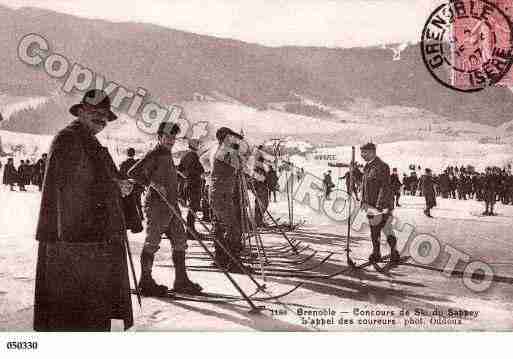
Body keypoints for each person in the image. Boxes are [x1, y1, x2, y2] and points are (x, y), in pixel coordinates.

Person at [33, 89, 133, 331]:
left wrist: (120, 183)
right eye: (95, 113)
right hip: (73, 241)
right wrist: (115, 186)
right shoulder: (69, 139)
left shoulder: (86, 139)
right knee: (74, 315)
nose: (101, 119)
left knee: (87, 311)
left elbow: (98, 176)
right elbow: (73, 188)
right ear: (81, 112)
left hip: (87, 239)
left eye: (104, 116)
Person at [128, 121, 203, 296]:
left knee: (180, 240)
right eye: (167, 137)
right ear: (159, 137)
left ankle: (181, 280)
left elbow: (165, 173)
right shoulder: (154, 153)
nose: (170, 141)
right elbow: (133, 172)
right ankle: (145, 281)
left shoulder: (167, 154)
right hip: (156, 205)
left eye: (173, 138)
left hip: (172, 204)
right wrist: (152, 184)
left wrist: (176, 179)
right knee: (152, 241)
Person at [209, 127, 244, 271]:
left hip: (218, 193)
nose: (233, 140)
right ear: (225, 139)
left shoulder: (219, 149)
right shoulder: (223, 151)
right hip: (222, 194)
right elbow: (239, 165)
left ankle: (221, 258)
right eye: (231, 138)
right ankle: (233, 263)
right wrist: (237, 149)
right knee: (233, 228)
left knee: (220, 226)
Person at [360, 142, 400, 264]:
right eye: (361, 152)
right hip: (371, 205)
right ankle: (376, 252)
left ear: (372, 152)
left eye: (364, 152)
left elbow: (384, 187)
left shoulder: (382, 166)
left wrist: (380, 205)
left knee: (387, 228)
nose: (362, 155)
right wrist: (363, 201)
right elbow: (365, 185)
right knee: (374, 230)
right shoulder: (367, 167)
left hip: (382, 205)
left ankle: (394, 252)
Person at [178, 138, 205, 237]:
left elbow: (180, 169)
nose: (199, 145)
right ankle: (190, 231)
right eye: (198, 144)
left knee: (192, 207)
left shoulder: (185, 155)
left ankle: (190, 230)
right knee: (193, 207)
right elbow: (199, 169)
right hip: (193, 184)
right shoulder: (192, 155)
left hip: (188, 184)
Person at [119, 148, 144, 220]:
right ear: (134, 154)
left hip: (128, 186)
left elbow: (121, 176)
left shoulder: (123, 164)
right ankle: (141, 216)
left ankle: (131, 219)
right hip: (137, 186)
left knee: (129, 203)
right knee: (138, 202)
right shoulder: (137, 163)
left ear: (127, 154)